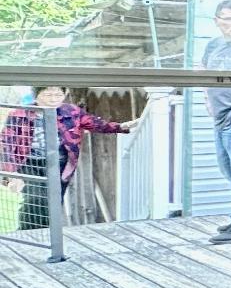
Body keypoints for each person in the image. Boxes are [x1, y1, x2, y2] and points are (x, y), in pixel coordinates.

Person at [0, 86, 135, 231]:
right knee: (35, 198)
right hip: (30, 163)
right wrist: (11, 174)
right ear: (36, 96)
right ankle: (27, 233)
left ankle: (48, 234)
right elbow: (6, 142)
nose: (53, 99)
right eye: (48, 95)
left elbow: (96, 123)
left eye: (58, 95)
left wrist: (121, 127)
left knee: (54, 201)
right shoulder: (19, 114)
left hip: (59, 163)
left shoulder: (71, 112)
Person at [203, 0, 231, 244]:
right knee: (227, 170)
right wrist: (206, 98)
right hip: (220, 118)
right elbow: (203, 71)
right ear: (218, 21)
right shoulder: (213, 46)